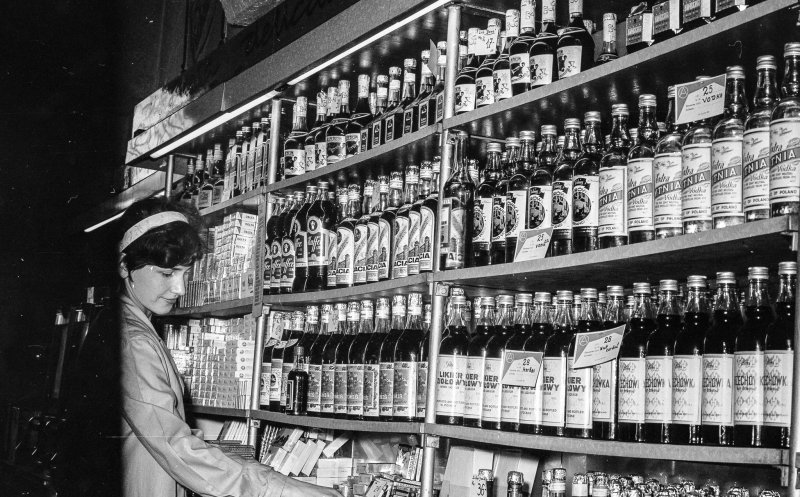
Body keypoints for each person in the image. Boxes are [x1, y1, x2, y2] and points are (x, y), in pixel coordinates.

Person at [116, 198, 341, 497]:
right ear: (125, 267)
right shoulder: (133, 342)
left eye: (185, 272)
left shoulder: (137, 328)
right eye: (167, 274)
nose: (179, 288)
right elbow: (176, 446)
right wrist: (284, 490)